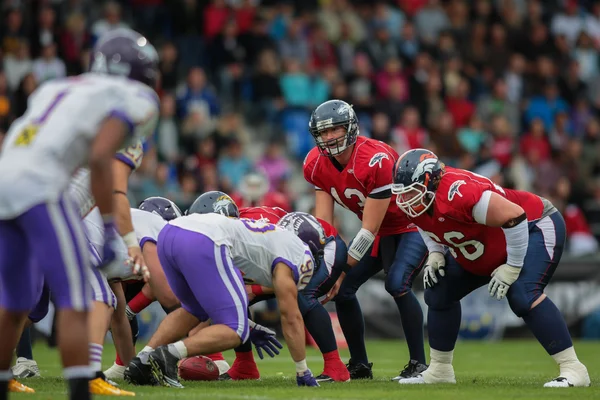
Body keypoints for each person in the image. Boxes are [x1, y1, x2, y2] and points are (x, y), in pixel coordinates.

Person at [0, 27, 159, 400]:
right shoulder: (137, 98)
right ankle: (81, 389)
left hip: (6, 179)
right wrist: (107, 228)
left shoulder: (56, 86)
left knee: (15, 302)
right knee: (76, 298)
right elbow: (102, 158)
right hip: (44, 189)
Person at [391, 148, 591, 387]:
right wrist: (435, 252)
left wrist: (513, 267)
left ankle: (573, 368)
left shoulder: (460, 193)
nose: (406, 199)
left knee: (522, 294)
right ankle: (440, 370)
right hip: (484, 243)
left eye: (412, 191)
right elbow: (425, 222)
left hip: (533, 225)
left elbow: (515, 217)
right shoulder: (422, 201)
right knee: (439, 290)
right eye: (403, 193)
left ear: (431, 180)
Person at [125, 193, 320, 388]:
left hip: (171, 233)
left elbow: (221, 298)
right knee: (236, 330)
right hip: (205, 238)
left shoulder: (271, 241)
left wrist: (251, 326)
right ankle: (168, 355)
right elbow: (291, 317)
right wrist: (302, 369)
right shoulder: (299, 258)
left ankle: (142, 360)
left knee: (193, 309)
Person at [303, 99, 428, 380]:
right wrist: (329, 264)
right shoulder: (315, 163)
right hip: (381, 230)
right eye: (323, 132)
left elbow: (369, 229)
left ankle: (419, 364)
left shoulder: (376, 159)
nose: (329, 137)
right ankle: (359, 365)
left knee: (397, 283)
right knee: (344, 289)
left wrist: (339, 267)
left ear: (350, 128)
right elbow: (325, 225)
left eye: (335, 129)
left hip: (409, 225)